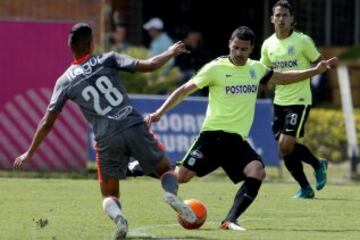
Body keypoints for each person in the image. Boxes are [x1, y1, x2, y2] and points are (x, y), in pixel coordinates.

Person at [13, 23, 196, 240]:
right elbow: (149, 65)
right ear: (91, 43)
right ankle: (169, 195)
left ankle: (119, 218)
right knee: (166, 171)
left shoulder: (64, 82)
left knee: (109, 194)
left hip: (106, 139)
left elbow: (47, 121)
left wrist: (30, 152)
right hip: (133, 125)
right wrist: (170, 52)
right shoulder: (107, 58)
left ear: (70, 47)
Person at [147, 26, 336, 231]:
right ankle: (135, 167)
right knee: (179, 178)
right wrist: (159, 112)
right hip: (213, 136)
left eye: (244, 49)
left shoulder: (256, 69)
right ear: (230, 43)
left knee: (256, 171)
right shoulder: (215, 68)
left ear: (251, 49)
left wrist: (315, 71)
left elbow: (284, 78)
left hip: (237, 140)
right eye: (235, 47)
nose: (238, 53)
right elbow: (184, 90)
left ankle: (229, 220)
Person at [260, 0, 328, 199]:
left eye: (285, 16)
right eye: (278, 15)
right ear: (272, 19)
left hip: (299, 99)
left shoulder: (302, 41)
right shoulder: (268, 45)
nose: (281, 19)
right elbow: (265, 74)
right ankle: (305, 187)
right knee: (284, 148)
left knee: (286, 145)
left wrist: (316, 75)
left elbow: (319, 64)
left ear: (292, 20)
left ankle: (316, 164)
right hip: (279, 101)